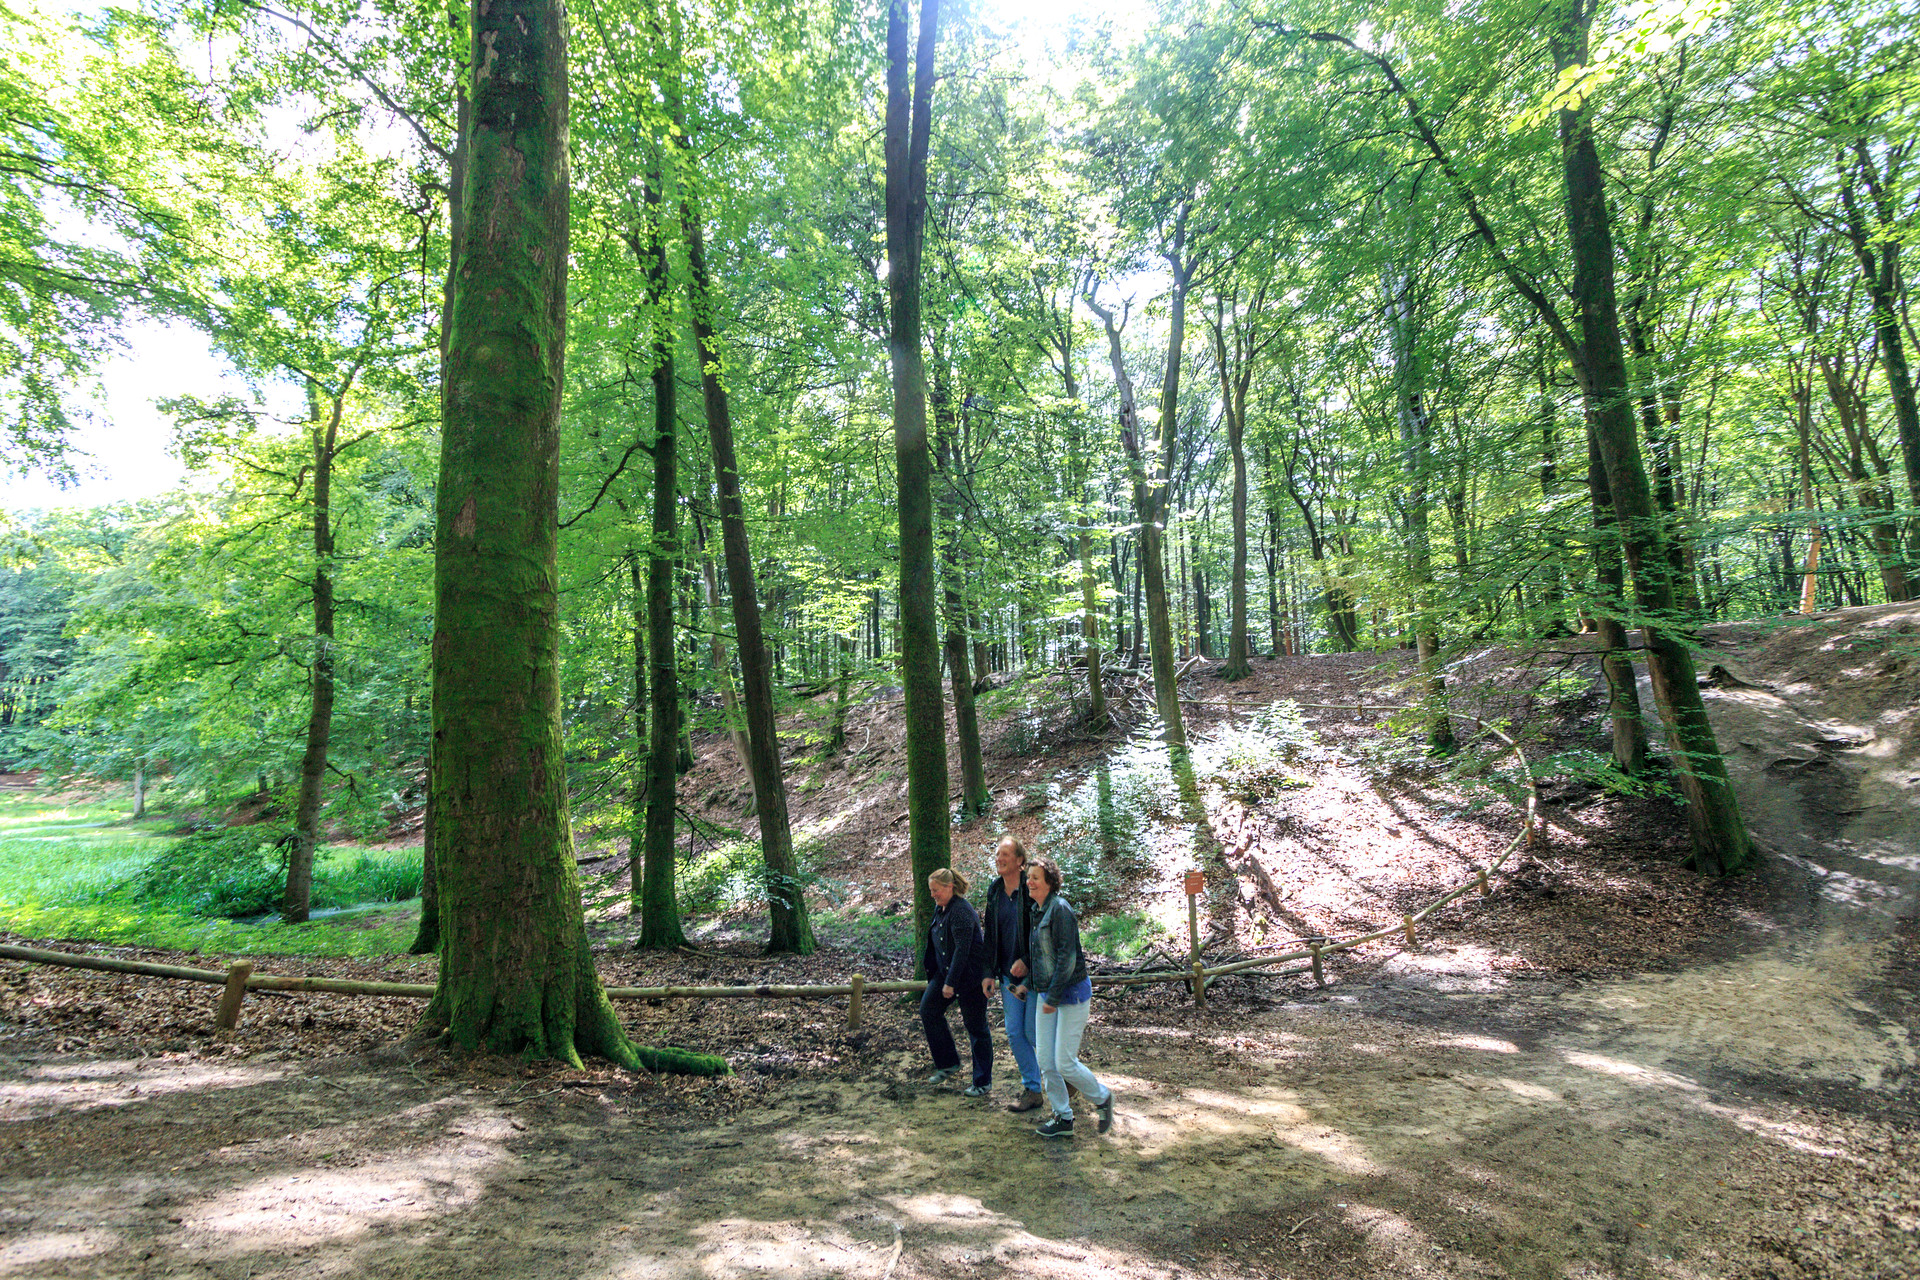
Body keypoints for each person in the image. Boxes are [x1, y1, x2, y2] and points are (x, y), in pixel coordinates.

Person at [1015, 856, 1114, 1138]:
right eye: (1029, 877)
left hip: (1070, 995)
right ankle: (1063, 1117)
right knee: (1045, 1060)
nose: (1029, 882)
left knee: (1064, 1061)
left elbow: (1066, 960)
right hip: (1048, 994)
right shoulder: (1037, 909)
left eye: (1035, 877)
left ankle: (1102, 1098)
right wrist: (1027, 984)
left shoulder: (1060, 910)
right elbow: (1041, 956)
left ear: (1050, 882)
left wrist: (1052, 998)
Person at [980, 836, 1044, 1112]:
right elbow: (990, 937)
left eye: (1005, 854)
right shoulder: (994, 892)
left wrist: (1027, 962)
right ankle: (1033, 1089)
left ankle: (1066, 1075)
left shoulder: (1031, 893)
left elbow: (1043, 935)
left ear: (1019, 861)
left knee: (1032, 1032)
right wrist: (988, 972)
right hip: (1007, 977)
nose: (999, 858)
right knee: (1015, 1032)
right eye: (997, 854)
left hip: (1035, 976)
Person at [920, 867, 992, 1097]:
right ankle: (948, 1063)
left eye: (936, 890)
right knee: (928, 1010)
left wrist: (950, 983)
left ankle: (982, 1081)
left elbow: (962, 950)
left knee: (976, 1027)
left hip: (970, 977)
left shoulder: (961, 911)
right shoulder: (940, 908)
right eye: (931, 890)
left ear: (949, 887)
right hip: (946, 971)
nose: (933, 894)